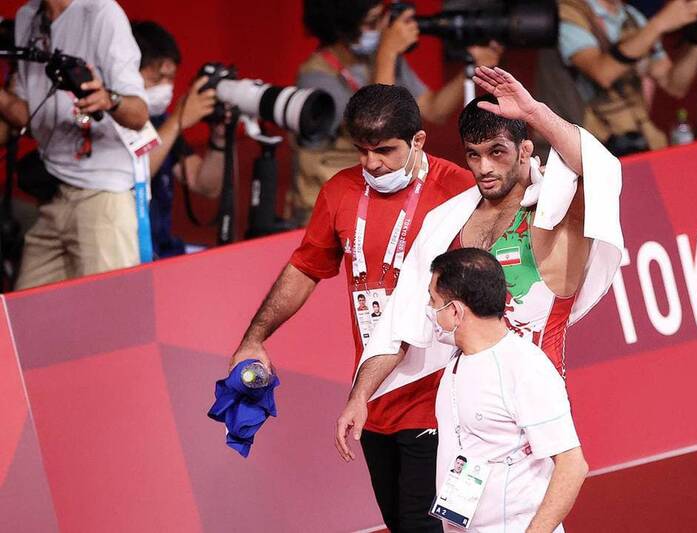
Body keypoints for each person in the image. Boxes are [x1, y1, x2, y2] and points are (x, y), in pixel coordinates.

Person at [336, 67, 623, 471]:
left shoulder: (556, 214)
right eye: (474, 154)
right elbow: (403, 319)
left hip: (529, 406)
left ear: (524, 150)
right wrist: (359, 395)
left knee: (536, 505)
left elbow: (600, 169)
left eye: (497, 152)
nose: (484, 167)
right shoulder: (447, 222)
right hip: (462, 407)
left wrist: (534, 112)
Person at [229, 84, 474, 532]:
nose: (372, 163)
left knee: (422, 526)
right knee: (399, 522)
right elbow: (305, 269)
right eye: (362, 150)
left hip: (440, 396)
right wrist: (254, 338)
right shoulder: (340, 191)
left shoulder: (460, 190)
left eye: (385, 150)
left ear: (418, 140)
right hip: (374, 396)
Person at [291, 0, 503, 224]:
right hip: (332, 202)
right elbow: (377, 124)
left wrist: (472, 69)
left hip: (377, 189)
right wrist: (388, 52)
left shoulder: (380, 58)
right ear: (343, 26)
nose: (382, 28)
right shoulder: (316, 76)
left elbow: (434, 110)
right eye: (372, 22)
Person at [428, 248, 588, 532]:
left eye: (433, 302)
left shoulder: (526, 368)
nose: (429, 311)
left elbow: (572, 465)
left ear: (455, 311)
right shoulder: (455, 363)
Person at [0, 0, 149, 289]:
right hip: (54, 195)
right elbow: (31, 118)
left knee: (111, 311)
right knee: (29, 309)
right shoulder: (27, 17)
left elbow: (139, 114)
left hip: (103, 196)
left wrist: (110, 99)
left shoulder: (101, 12)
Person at [558, 0, 697, 155]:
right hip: (592, 145)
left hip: (640, 140)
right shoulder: (569, 11)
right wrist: (660, 23)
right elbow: (602, 73)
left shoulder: (632, 17)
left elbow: (674, 85)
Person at [131, 20, 226, 258]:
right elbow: (134, 177)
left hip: (164, 248)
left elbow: (205, 185)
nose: (166, 88)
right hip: (131, 252)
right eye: (157, 79)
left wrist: (219, 138)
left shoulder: (161, 121)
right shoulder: (115, 121)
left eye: (171, 79)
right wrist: (178, 120)